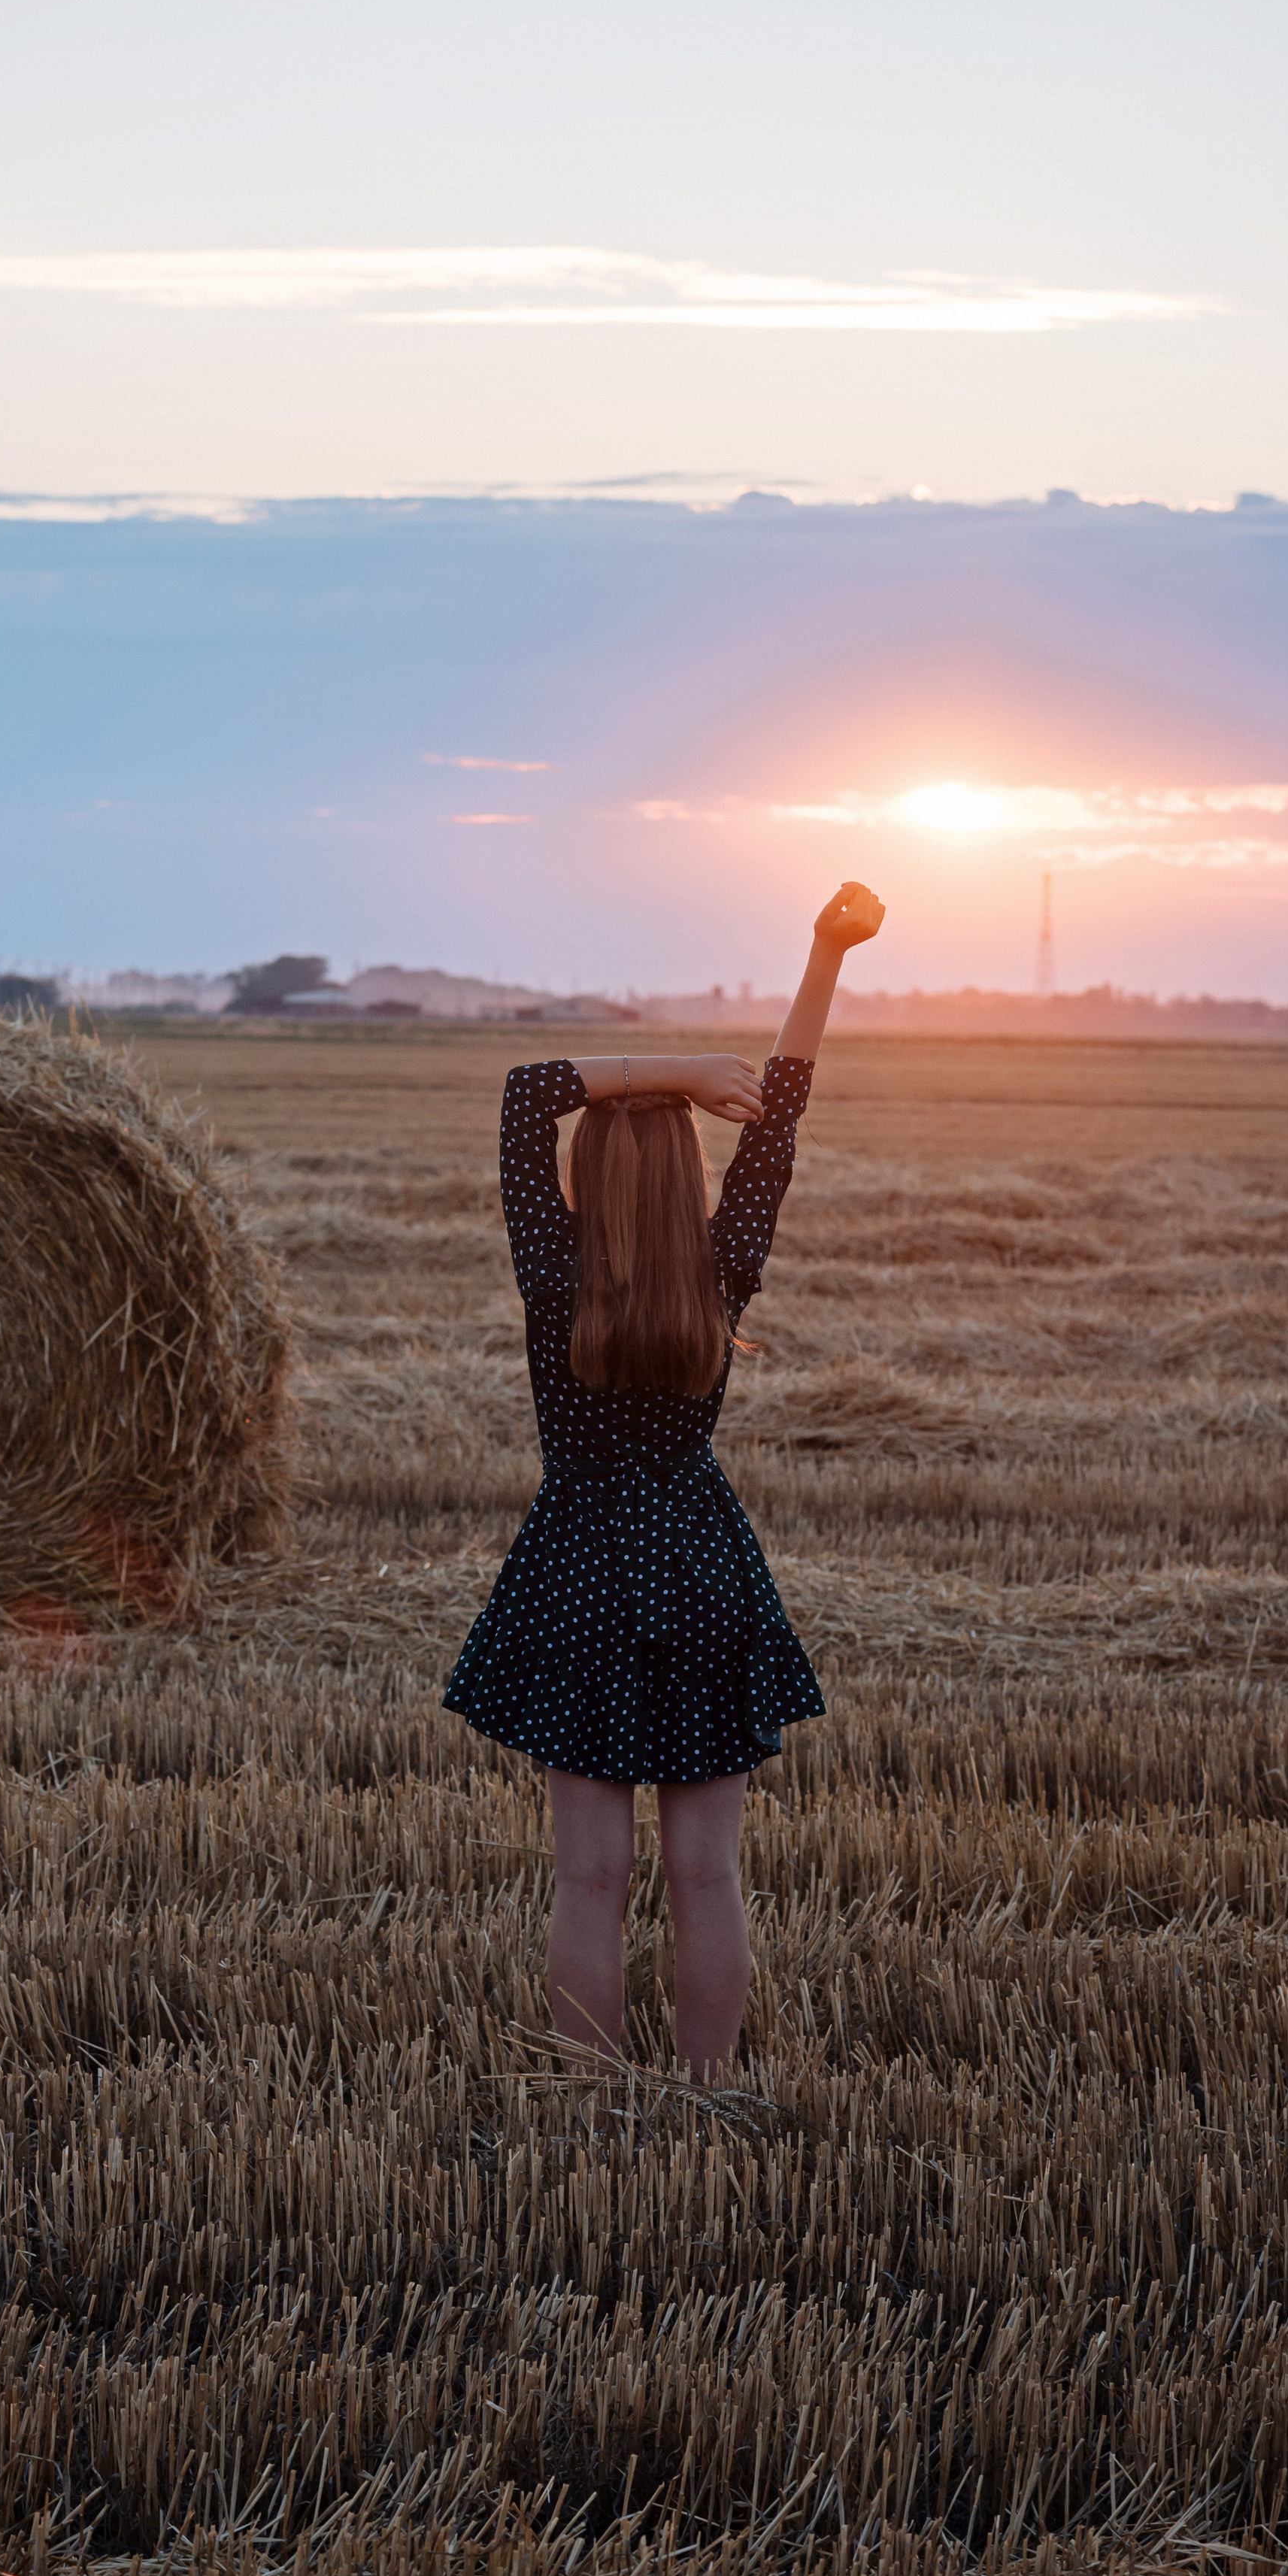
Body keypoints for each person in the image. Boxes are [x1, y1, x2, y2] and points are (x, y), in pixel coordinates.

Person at [445, 880, 886, 2080]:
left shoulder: (554, 1273)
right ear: (690, 1173)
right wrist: (822, 954)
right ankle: (706, 2099)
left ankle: (591, 2105)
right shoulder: (723, 1267)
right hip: (700, 1559)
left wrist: (667, 1066)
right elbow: (783, 1116)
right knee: (708, 1874)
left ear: (589, 1172)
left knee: (589, 1877)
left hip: (578, 1562)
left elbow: (527, 1089)